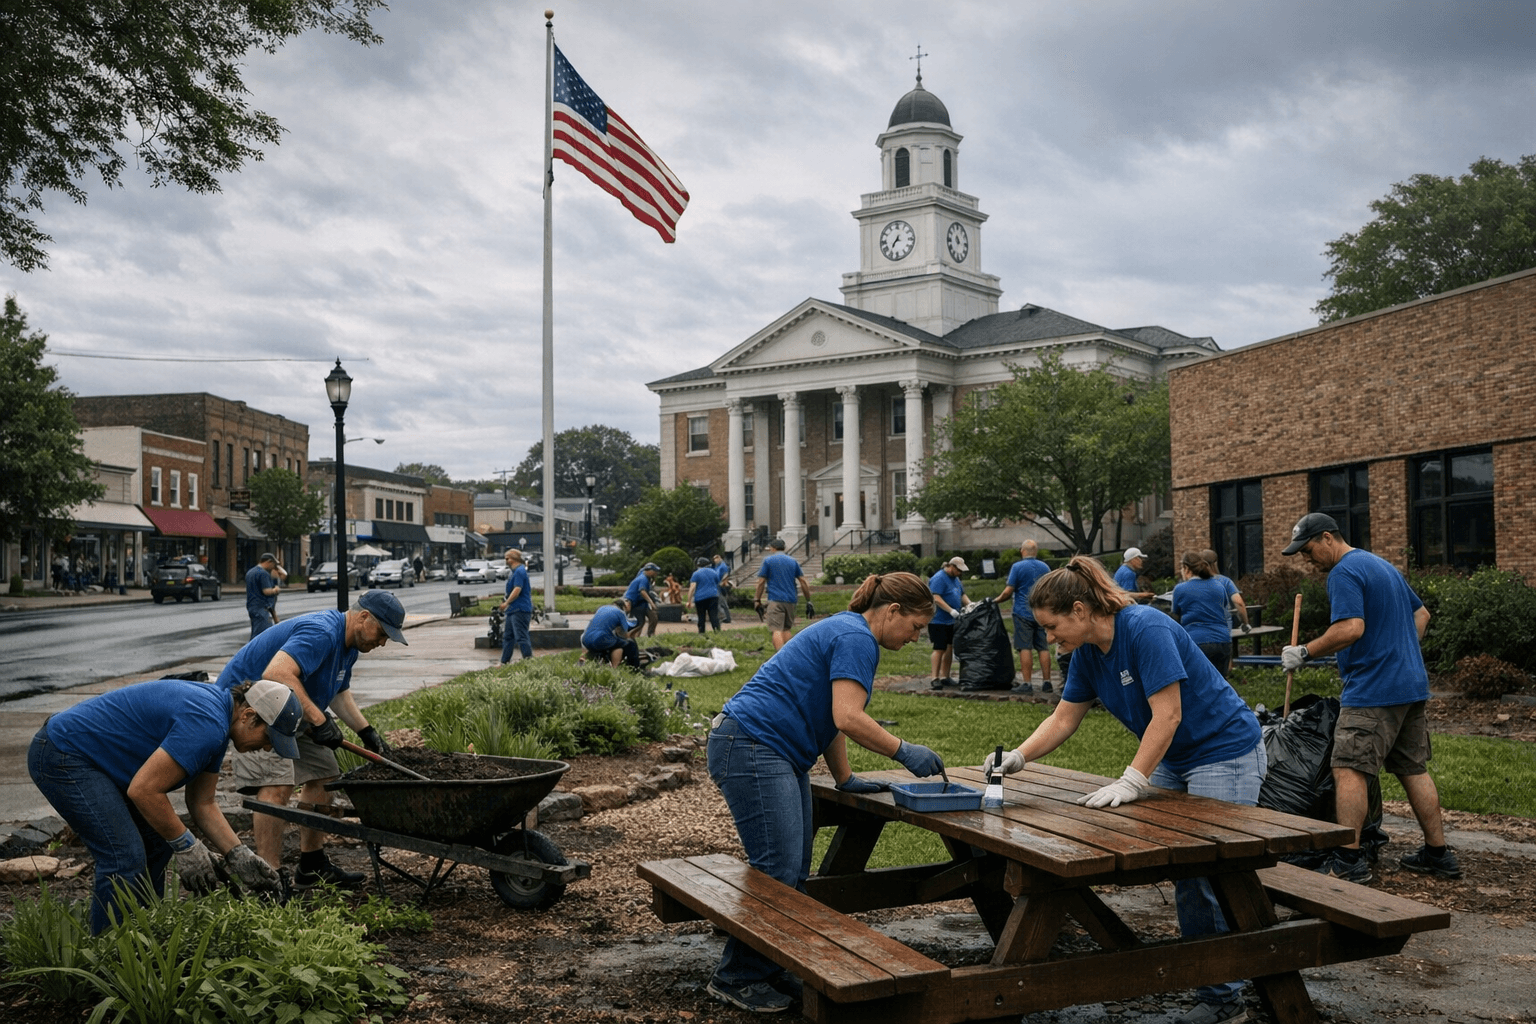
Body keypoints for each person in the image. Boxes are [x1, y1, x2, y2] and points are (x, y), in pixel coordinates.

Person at [982, 555, 1266, 1024]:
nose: (1050, 639)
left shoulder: (1145, 627)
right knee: (1187, 871)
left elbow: (1168, 714)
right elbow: (1063, 717)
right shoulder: (1088, 653)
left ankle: (1224, 999)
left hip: (1225, 752)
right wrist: (1019, 757)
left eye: (1053, 627)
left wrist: (1134, 780)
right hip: (1176, 756)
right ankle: (1216, 980)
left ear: (1079, 610)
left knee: (1209, 870)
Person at [706, 572, 946, 1012]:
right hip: (753, 744)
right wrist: (904, 751)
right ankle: (736, 976)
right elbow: (848, 717)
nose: (916, 637)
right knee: (776, 871)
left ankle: (768, 967)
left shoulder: (849, 631)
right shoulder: (856, 638)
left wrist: (845, 778)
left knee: (793, 871)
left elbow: (829, 716)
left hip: (771, 750)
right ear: (892, 611)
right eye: (915, 627)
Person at [29, 678, 300, 933]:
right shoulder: (207, 724)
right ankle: (107, 953)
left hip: (94, 761)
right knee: (124, 858)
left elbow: (202, 803)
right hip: (64, 754)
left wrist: (239, 855)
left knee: (157, 844)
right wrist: (187, 846)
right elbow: (144, 790)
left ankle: (146, 933)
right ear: (249, 716)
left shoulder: (218, 722)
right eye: (269, 738)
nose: (266, 749)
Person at [1280, 512, 1459, 883]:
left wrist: (1305, 651)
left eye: (1309, 550)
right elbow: (1421, 614)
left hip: (1374, 690)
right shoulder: (1381, 565)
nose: (1307, 560)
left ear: (1328, 538)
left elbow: (1350, 628)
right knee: (1413, 768)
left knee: (1348, 768)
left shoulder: (1343, 572)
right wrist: (1400, 650)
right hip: (1410, 686)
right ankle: (1438, 854)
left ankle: (1348, 859)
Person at [216, 590, 407, 885]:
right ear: (364, 616)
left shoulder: (350, 647)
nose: (381, 642)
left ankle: (311, 864)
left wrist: (367, 732)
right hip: (255, 709)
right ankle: (270, 878)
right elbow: (277, 673)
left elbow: (339, 692)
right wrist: (319, 719)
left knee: (326, 775)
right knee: (276, 784)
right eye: (382, 633)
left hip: (291, 708)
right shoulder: (322, 631)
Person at [1171, 551, 1250, 678]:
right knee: (1220, 682)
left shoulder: (1180, 589)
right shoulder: (1219, 586)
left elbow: (1176, 618)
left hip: (1196, 642)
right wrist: (1245, 623)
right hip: (1222, 641)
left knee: (1198, 683)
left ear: (1186, 569)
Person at [994, 541, 1054, 694]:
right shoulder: (1045, 567)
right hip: (1041, 613)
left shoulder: (1017, 567)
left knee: (1024, 647)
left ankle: (1027, 683)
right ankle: (1047, 682)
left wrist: (996, 601)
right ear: (1036, 551)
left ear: (1022, 551)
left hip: (1022, 612)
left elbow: (1008, 591)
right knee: (1043, 647)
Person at [755, 537, 815, 650]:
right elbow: (803, 581)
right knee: (786, 629)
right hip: (791, 600)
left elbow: (761, 582)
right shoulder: (793, 561)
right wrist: (808, 600)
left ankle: (780, 658)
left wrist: (757, 599)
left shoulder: (768, 561)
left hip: (775, 599)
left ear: (773, 548)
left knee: (776, 629)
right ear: (784, 548)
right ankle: (790, 657)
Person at [927, 556, 970, 689]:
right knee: (939, 648)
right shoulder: (939, 578)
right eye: (959, 570)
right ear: (951, 567)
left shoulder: (956, 579)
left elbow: (962, 595)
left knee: (949, 648)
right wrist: (951, 610)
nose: (960, 573)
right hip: (938, 620)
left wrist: (970, 605)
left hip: (952, 621)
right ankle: (935, 678)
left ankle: (945, 677)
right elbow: (936, 598)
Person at [499, 549, 534, 664]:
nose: (506, 561)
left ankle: (528, 660)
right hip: (512, 610)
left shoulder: (519, 571)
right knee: (508, 636)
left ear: (514, 558)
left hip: (520, 609)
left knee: (521, 636)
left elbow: (517, 589)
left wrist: (506, 602)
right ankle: (504, 661)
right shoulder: (513, 572)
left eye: (507, 558)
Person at [582, 599, 640, 669]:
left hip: (586, 639)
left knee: (610, 643)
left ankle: (585, 659)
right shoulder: (620, 612)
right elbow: (624, 634)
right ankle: (625, 668)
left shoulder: (602, 608)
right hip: (601, 638)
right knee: (628, 644)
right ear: (623, 607)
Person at [245, 553, 283, 639]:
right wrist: (276, 590)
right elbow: (266, 591)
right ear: (269, 562)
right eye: (273, 564)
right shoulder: (263, 573)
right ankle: (254, 652)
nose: (273, 567)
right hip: (261, 608)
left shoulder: (250, 572)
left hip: (252, 606)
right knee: (263, 636)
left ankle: (252, 651)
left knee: (256, 633)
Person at [625, 562, 662, 638]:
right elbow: (643, 592)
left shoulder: (647, 577)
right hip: (635, 602)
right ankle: (631, 637)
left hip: (642, 602)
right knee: (639, 623)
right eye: (655, 571)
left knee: (653, 616)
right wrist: (651, 603)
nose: (656, 573)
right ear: (650, 571)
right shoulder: (643, 578)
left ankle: (650, 635)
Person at [688, 556, 722, 633]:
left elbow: (692, 588)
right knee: (714, 615)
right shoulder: (714, 572)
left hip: (700, 598)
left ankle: (701, 632)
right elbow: (718, 583)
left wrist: (689, 600)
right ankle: (717, 632)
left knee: (701, 616)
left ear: (698, 565)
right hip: (713, 596)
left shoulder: (696, 574)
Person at [712, 553, 734, 624]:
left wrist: (723, 583)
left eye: (716, 558)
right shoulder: (717, 566)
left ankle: (726, 618)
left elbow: (725, 575)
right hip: (717, 587)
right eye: (714, 559)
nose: (715, 560)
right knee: (721, 603)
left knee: (722, 603)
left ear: (719, 558)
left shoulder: (723, 566)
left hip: (721, 587)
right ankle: (725, 617)